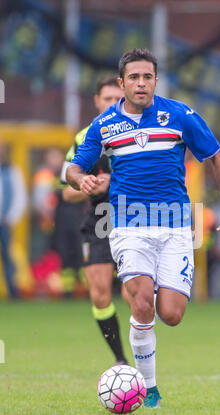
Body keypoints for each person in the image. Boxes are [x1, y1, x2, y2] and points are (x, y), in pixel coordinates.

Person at [66, 48, 220, 408]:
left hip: (176, 227)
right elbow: (73, 167)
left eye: (147, 76)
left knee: (171, 314)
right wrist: (79, 180)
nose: (141, 83)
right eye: (134, 77)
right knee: (143, 303)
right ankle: (149, 390)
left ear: (156, 80)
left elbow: (216, 156)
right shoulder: (104, 126)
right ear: (122, 82)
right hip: (127, 226)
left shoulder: (179, 115)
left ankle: (144, 362)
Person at [61, 76, 128, 365]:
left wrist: (112, 182)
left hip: (133, 216)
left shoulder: (136, 133)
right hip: (100, 218)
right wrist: (87, 185)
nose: (113, 104)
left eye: (117, 99)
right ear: (97, 102)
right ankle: (121, 362)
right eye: (108, 99)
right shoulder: (83, 138)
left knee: (132, 294)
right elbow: (67, 194)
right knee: (99, 294)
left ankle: (144, 353)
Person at [0, 138, 28, 298]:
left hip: (4, 222)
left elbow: (20, 195)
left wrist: (11, 217)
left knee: (8, 257)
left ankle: (12, 291)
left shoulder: (11, 170)